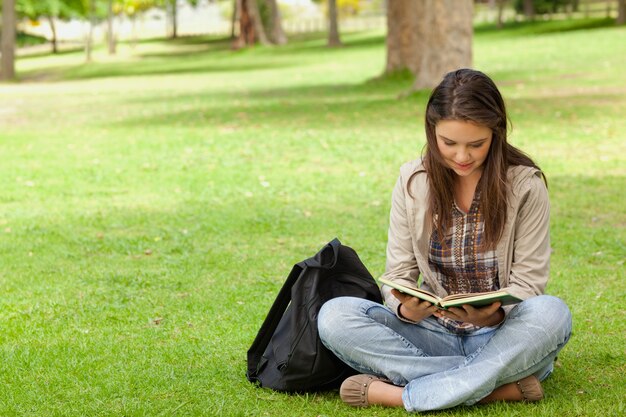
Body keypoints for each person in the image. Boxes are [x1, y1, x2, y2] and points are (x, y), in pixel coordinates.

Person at [317, 69, 572, 412]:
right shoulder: (413, 181)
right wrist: (405, 309)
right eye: (448, 143)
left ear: (496, 133)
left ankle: (401, 395)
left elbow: (529, 283)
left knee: (552, 313)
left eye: (476, 144)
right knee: (334, 315)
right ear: (431, 130)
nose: (462, 156)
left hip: (500, 334)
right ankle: (497, 385)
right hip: (430, 333)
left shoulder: (525, 185)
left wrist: (493, 317)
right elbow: (399, 274)